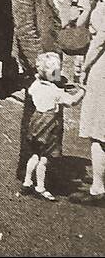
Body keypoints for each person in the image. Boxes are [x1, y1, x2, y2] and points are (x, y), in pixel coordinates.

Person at [18, 52, 83, 201]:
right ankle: (40, 187)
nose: (59, 73)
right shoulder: (54, 91)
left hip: (36, 123)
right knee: (44, 159)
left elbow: (31, 91)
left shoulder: (35, 85)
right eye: (57, 70)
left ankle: (27, 181)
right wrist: (82, 92)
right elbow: (71, 102)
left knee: (34, 155)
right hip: (48, 126)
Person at [77, 0, 105, 203]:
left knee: (98, 131)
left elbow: (98, 42)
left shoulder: (103, 8)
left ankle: (98, 186)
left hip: (101, 69)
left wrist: (83, 69)